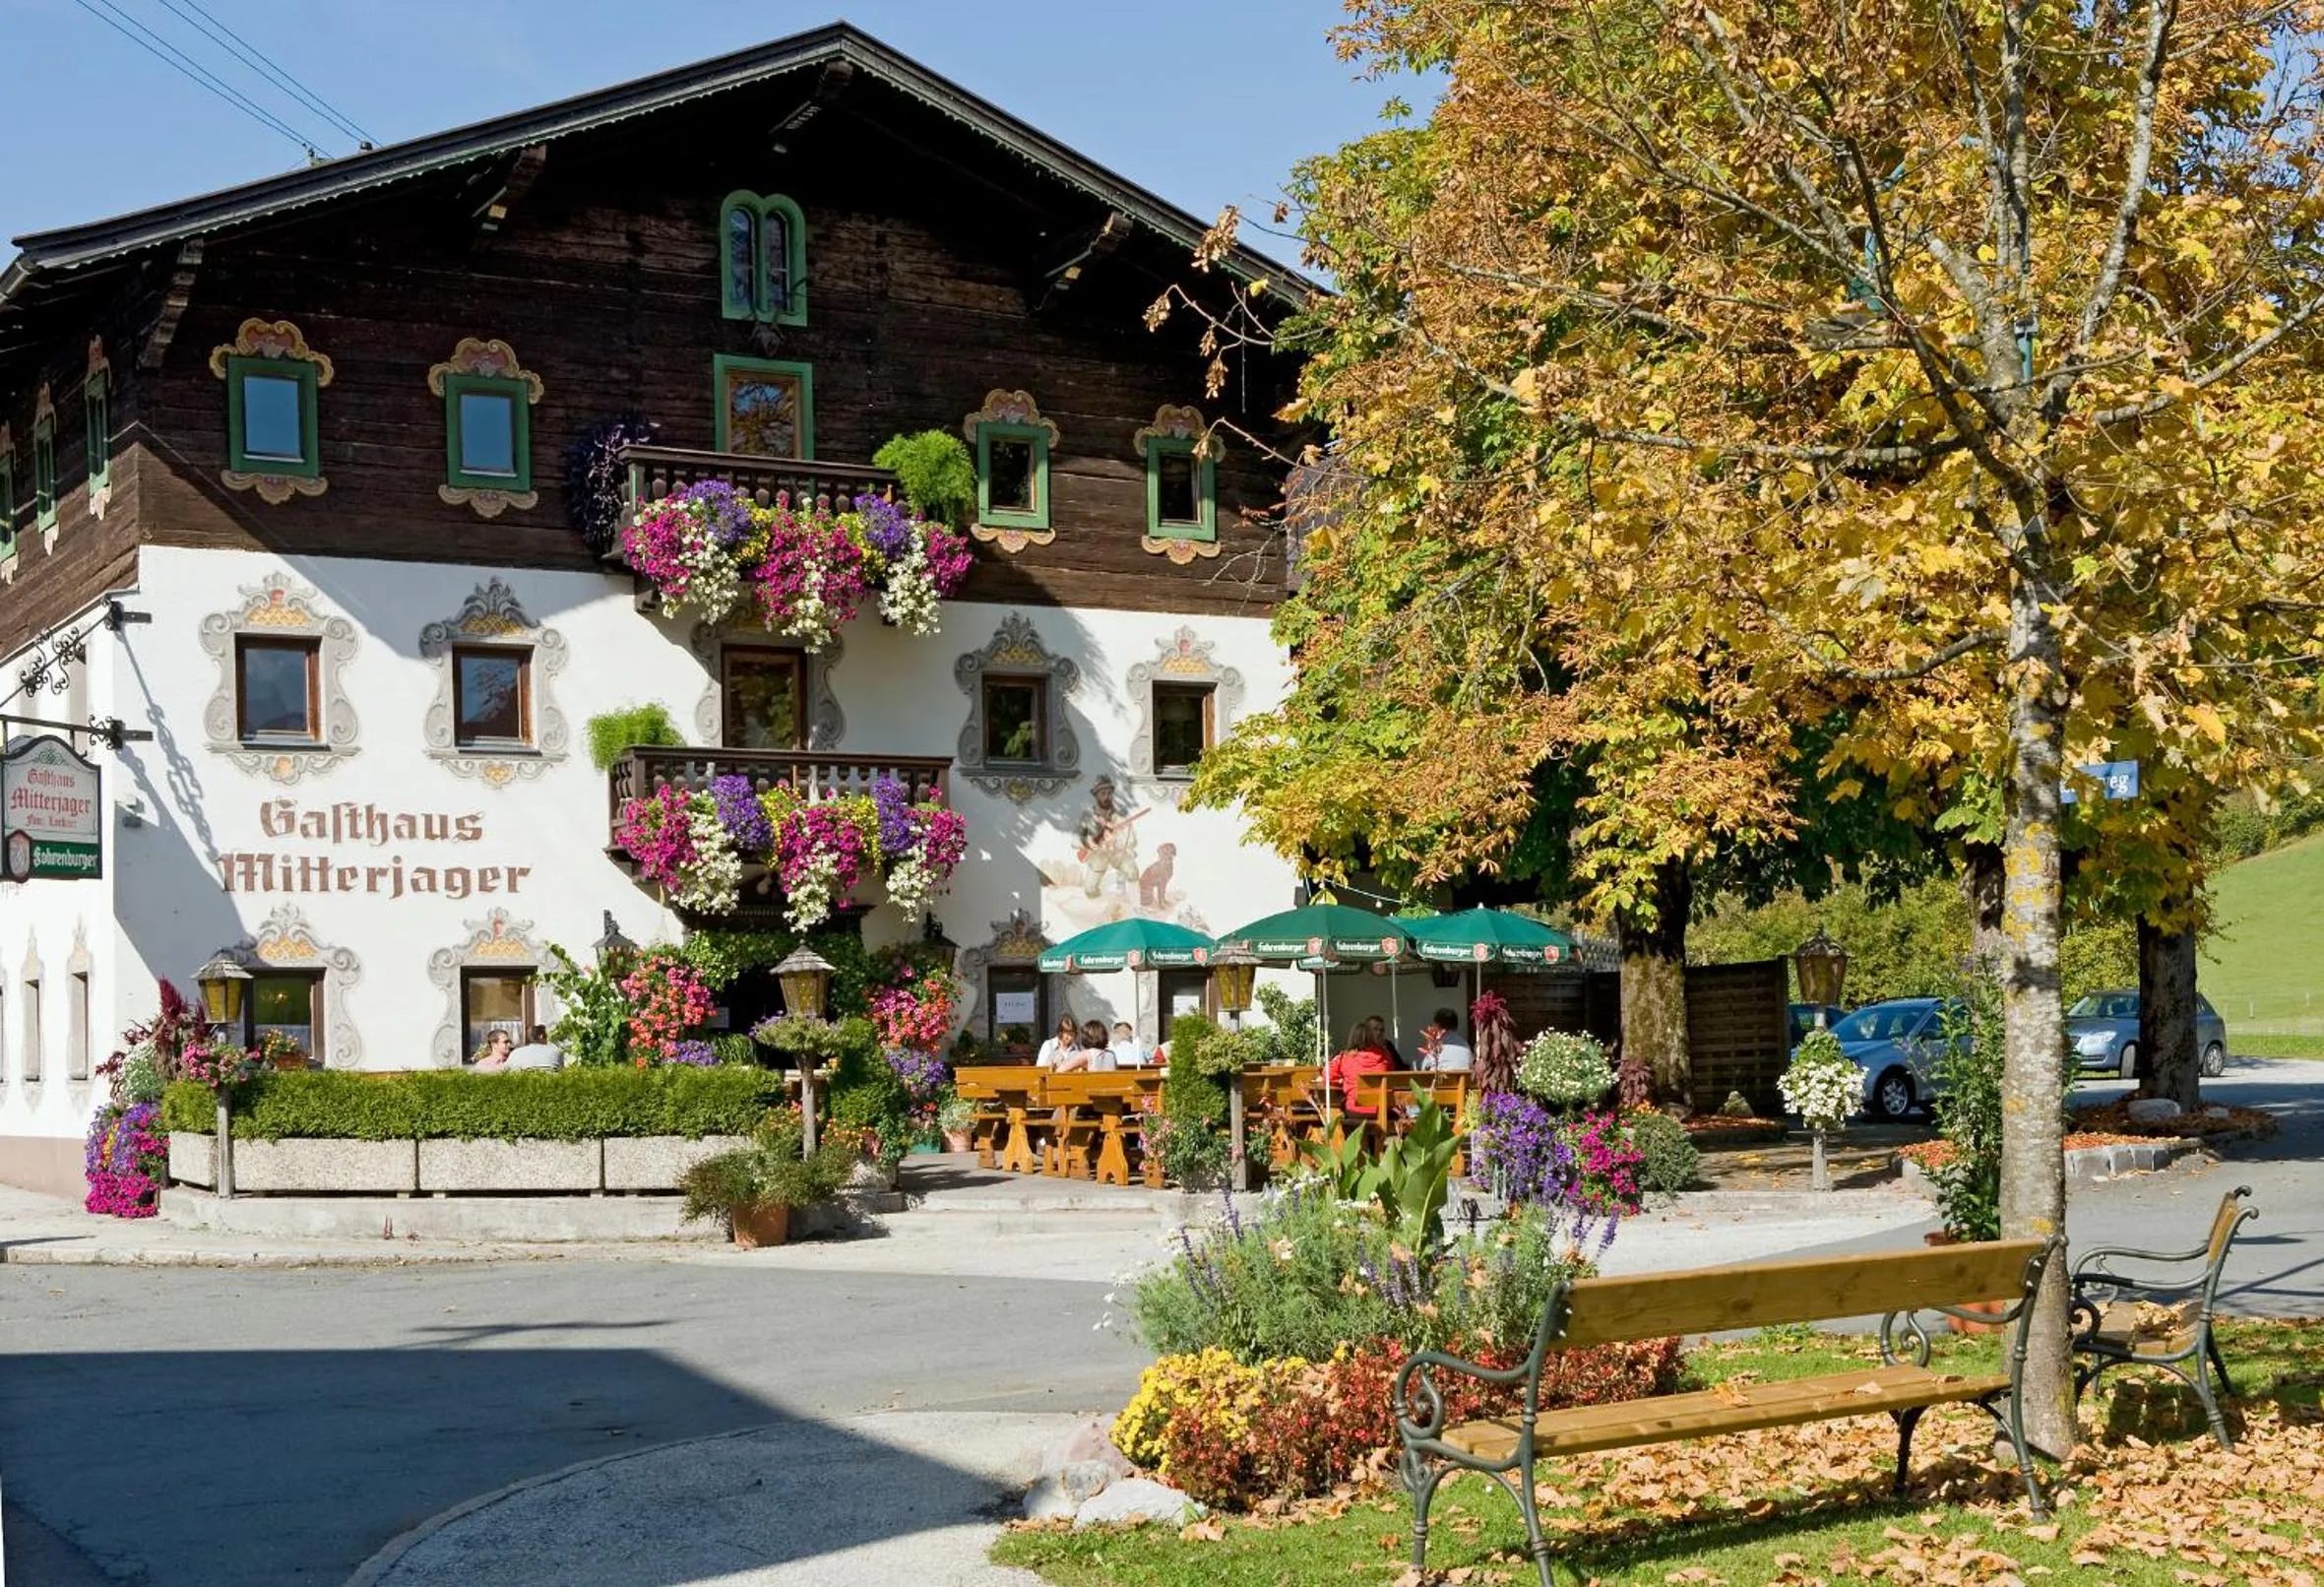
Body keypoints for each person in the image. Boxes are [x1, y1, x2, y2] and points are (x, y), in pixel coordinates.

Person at [1322, 1022, 1393, 1117]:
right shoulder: (1385, 1055)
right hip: (1381, 1111)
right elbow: (1391, 1071)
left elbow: (1327, 1075)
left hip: (1354, 1111)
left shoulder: (1345, 1057)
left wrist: (1340, 1080)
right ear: (1372, 1037)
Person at [1421, 1008, 1475, 1073]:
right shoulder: (1465, 1045)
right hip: (1461, 1082)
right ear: (1455, 1025)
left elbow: (1423, 1069)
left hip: (1438, 1082)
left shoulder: (1434, 1045)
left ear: (1437, 1025)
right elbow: (1471, 1067)